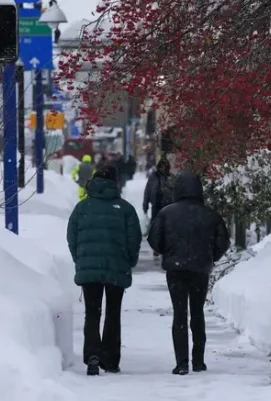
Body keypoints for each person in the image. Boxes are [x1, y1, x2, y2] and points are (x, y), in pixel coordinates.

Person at [147, 171, 230, 375]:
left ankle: (182, 362)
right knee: (198, 312)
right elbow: (223, 242)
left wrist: (167, 252)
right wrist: (210, 257)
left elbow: (154, 240)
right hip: (200, 269)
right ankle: (198, 361)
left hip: (175, 269)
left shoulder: (166, 213)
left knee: (180, 313)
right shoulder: (211, 215)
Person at [66, 165, 141, 376]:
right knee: (113, 313)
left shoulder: (82, 208)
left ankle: (92, 355)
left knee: (92, 313)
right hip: (117, 267)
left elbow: (72, 237)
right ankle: (110, 359)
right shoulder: (125, 209)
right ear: (114, 183)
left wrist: (80, 259)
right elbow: (134, 239)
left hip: (89, 269)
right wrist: (129, 261)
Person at [142, 158, 173, 256]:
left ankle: (165, 247)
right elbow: (148, 191)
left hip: (168, 206)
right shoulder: (153, 177)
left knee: (167, 228)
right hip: (156, 205)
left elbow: (175, 191)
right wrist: (145, 204)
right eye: (161, 167)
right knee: (156, 228)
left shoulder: (171, 178)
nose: (163, 169)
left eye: (165, 167)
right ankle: (157, 247)